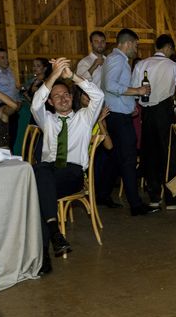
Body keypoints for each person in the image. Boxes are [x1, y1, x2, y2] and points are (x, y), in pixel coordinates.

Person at [31, 58, 103, 275]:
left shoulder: (84, 118)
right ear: (50, 102)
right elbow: (35, 103)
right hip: (50, 173)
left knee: (39, 181)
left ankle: (44, 252)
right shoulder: (47, 120)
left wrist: (71, 76)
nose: (62, 99)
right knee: (42, 177)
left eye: (66, 95)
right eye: (57, 96)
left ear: (72, 98)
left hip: (72, 174)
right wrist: (53, 75)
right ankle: (55, 233)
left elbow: (99, 96)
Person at [101, 28, 158, 216]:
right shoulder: (118, 59)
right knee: (128, 159)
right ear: (127, 43)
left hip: (116, 114)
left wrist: (129, 103)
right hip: (119, 118)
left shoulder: (113, 59)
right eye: (135, 44)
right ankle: (135, 204)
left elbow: (112, 88)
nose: (136, 48)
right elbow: (111, 85)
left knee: (115, 158)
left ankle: (102, 194)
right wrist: (138, 92)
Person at [131, 34, 176, 208]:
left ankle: (154, 197)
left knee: (150, 153)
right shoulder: (174, 66)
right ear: (168, 47)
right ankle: (172, 198)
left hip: (146, 112)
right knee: (171, 154)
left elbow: (135, 88)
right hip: (165, 111)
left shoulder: (141, 64)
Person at [14, 58, 51, 155]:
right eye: (34, 65)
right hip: (27, 113)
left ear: (45, 68)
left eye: (38, 66)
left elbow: (39, 104)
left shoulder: (45, 83)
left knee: (35, 139)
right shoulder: (34, 80)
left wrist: (25, 94)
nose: (35, 68)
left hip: (37, 115)